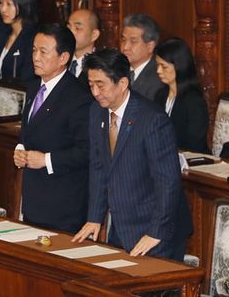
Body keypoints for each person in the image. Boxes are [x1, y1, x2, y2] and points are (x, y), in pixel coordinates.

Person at [72, 48, 193, 261]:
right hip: (122, 225)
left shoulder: (152, 120)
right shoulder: (96, 111)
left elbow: (168, 182)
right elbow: (99, 168)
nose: (95, 92)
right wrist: (94, 217)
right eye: (91, 85)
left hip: (157, 229)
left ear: (122, 83)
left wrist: (155, 232)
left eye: (100, 85)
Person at [13, 24, 92, 233]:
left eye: (43, 52)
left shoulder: (78, 97)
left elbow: (87, 151)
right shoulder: (32, 87)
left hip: (63, 205)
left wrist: (46, 160)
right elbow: (29, 132)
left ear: (63, 57)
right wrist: (20, 148)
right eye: (33, 50)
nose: (35, 57)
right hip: (33, 199)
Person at [154, 38, 209, 154]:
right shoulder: (160, 95)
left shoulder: (194, 101)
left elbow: (194, 144)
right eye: (157, 65)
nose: (158, 71)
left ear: (179, 66)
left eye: (163, 66)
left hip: (192, 164)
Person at [0, 0, 37, 83]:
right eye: (1, 3)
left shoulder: (32, 38)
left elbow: (28, 78)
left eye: (9, 4)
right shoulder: (2, 34)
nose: (3, 9)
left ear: (24, 4)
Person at [120, 13, 163, 100]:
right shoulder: (117, 69)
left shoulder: (160, 78)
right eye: (123, 40)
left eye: (133, 41)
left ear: (150, 46)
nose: (125, 47)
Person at [67, 8, 100, 86]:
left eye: (77, 28)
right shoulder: (61, 61)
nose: (70, 32)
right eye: (68, 28)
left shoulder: (101, 66)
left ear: (94, 35)